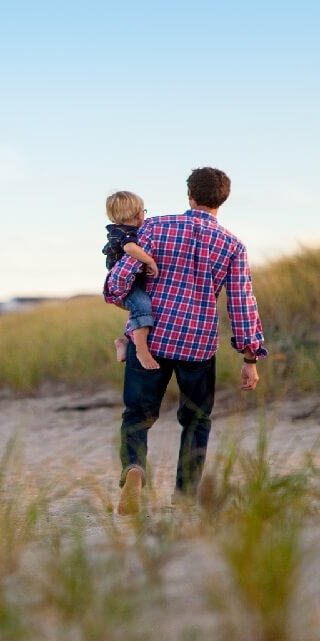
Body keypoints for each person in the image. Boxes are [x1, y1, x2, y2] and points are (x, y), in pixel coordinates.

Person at [105, 167, 266, 515]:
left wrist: (121, 296)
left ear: (189, 195)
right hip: (198, 344)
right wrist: (250, 358)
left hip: (152, 337)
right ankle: (185, 497)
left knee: (137, 415)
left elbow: (118, 281)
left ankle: (134, 469)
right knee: (196, 420)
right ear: (223, 200)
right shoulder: (233, 245)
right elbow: (241, 303)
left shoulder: (154, 227)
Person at [102, 191, 160, 370]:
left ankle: (124, 341)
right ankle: (141, 351)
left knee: (138, 310)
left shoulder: (118, 230)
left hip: (131, 281)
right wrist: (149, 261)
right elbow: (130, 249)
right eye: (144, 211)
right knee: (142, 306)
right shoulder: (126, 233)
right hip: (125, 283)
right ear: (137, 214)